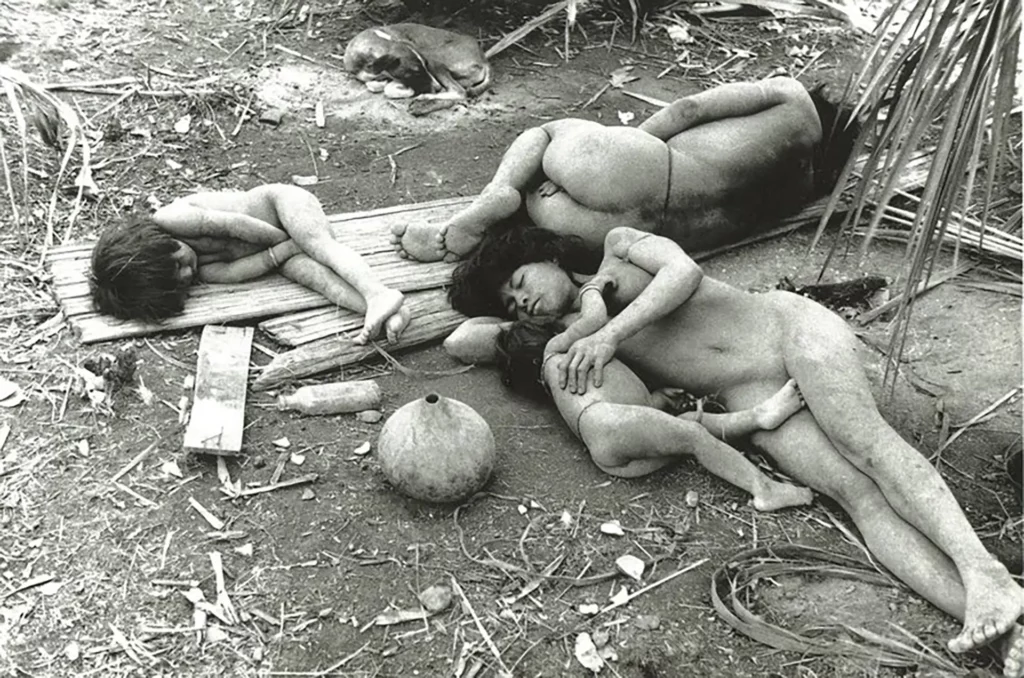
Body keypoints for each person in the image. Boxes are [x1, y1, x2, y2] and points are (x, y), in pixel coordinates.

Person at [443, 224, 1024, 677]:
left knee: (865, 444)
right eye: (513, 308)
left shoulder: (619, 251)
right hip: (752, 390)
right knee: (855, 494)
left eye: (520, 284)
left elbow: (683, 273)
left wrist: (609, 329)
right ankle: (997, 623)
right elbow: (462, 342)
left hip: (785, 329)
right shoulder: (565, 338)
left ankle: (983, 569)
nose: (526, 305)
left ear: (544, 253)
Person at [391, 76, 856, 262]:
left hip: (646, 170)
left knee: (549, 134)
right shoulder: (814, 187)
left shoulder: (793, 98)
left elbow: (690, 108)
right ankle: (519, 210)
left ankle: (500, 193)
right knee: (548, 198)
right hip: (637, 235)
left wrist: (634, 149)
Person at [488, 318, 815, 511]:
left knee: (687, 425)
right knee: (691, 435)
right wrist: (593, 288)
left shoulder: (569, 376)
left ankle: (759, 417)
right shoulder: (552, 357)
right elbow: (593, 317)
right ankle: (763, 489)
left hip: (614, 439)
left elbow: (632, 415)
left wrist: (656, 400)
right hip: (607, 423)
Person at [90, 184, 409, 344]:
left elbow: (230, 225)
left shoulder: (172, 219)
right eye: (180, 284)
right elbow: (238, 272)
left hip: (282, 205)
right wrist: (280, 254)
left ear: (156, 241)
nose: (188, 272)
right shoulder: (204, 271)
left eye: (176, 264)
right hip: (281, 246)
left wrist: (279, 241)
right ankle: (381, 312)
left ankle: (376, 291)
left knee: (322, 248)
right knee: (317, 279)